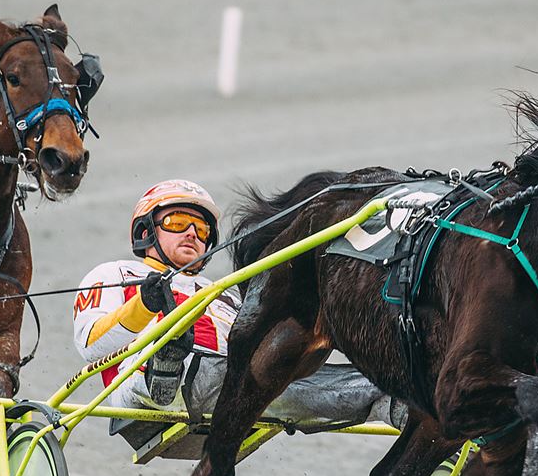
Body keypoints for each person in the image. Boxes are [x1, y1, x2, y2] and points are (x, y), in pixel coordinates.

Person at [72, 179, 400, 428]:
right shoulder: (114, 274)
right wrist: (142, 305)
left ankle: (408, 410)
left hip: (233, 386)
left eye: (200, 229)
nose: (191, 234)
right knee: (194, 363)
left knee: (378, 383)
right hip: (138, 385)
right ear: (145, 231)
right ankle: (167, 366)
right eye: (176, 223)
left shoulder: (221, 292)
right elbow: (90, 344)